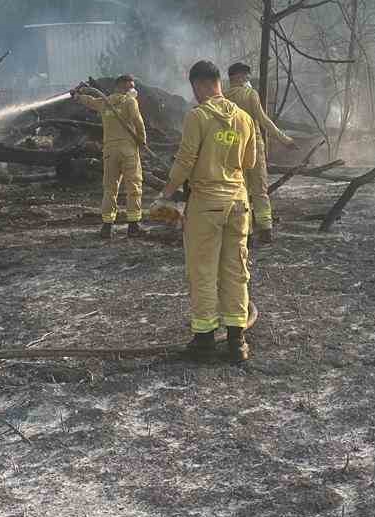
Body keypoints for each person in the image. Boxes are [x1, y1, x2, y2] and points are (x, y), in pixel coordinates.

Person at [158, 59, 257, 366]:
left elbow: (185, 161)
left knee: (203, 270)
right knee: (236, 270)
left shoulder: (197, 117)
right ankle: (236, 342)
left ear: (199, 85)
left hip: (207, 204)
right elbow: (250, 162)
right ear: (219, 82)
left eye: (195, 89)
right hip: (239, 204)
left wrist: (166, 194)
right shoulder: (244, 118)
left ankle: (203, 341)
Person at [226, 61, 297, 245]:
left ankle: (246, 232)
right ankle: (265, 229)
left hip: (233, 148)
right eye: (247, 76)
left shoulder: (224, 98)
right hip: (254, 147)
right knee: (260, 190)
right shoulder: (250, 94)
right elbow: (264, 120)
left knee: (241, 190)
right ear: (240, 77)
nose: (249, 80)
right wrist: (285, 139)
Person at [72, 75, 148, 239]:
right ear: (122, 86)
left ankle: (107, 227)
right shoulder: (130, 102)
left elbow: (90, 101)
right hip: (128, 150)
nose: (133, 89)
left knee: (110, 188)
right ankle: (133, 226)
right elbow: (138, 122)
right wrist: (142, 141)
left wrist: (77, 96)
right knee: (133, 187)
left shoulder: (105, 102)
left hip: (109, 151)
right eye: (131, 86)